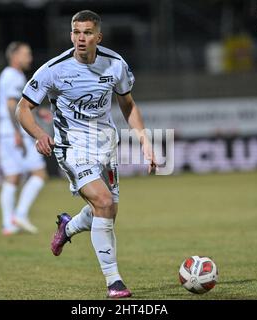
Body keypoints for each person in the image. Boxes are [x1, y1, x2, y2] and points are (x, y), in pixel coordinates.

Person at [16, 10, 157, 298]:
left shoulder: (115, 65)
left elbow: (128, 105)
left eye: (88, 32)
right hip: (71, 148)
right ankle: (114, 282)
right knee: (103, 201)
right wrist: (41, 135)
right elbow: (22, 109)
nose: (81, 38)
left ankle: (68, 228)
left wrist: (144, 139)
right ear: (71, 35)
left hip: (106, 145)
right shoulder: (54, 70)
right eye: (76, 32)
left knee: (107, 212)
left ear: (98, 36)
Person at [0, 41, 48, 236]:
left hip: (5, 133)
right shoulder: (15, 76)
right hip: (15, 132)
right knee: (39, 174)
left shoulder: (6, 75)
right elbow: (11, 105)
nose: (30, 58)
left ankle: (8, 225)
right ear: (15, 56)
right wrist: (18, 132)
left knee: (12, 177)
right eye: (26, 54)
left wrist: (40, 111)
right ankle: (20, 214)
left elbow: (16, 102)